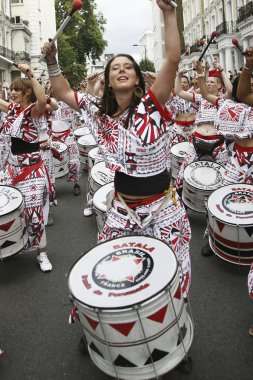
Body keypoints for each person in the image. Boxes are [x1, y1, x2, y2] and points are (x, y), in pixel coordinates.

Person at [42, 0, 192, 299]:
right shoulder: (97, 111)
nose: (122, 70)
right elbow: (61, 91)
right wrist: (51, 62)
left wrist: (169, 12)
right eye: (115, 68)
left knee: (173, 275)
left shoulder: (153, 105)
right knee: (111, 274)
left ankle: (168, 331)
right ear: (108, 81)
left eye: (128, 67)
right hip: (122, 208)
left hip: (163, 209)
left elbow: (173, 59)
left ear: (137, 78)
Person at [0, 64, 55, 272]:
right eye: (11, 90)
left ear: (27, 92)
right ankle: (13, 245)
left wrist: (30, 74)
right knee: (7, 209)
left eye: (17, 90)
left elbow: (43, 101)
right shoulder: (12, 109)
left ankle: (42, 253)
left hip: (31, 171)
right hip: (11, 169)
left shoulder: (33, 111)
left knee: (35, 213)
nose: (12, 93)